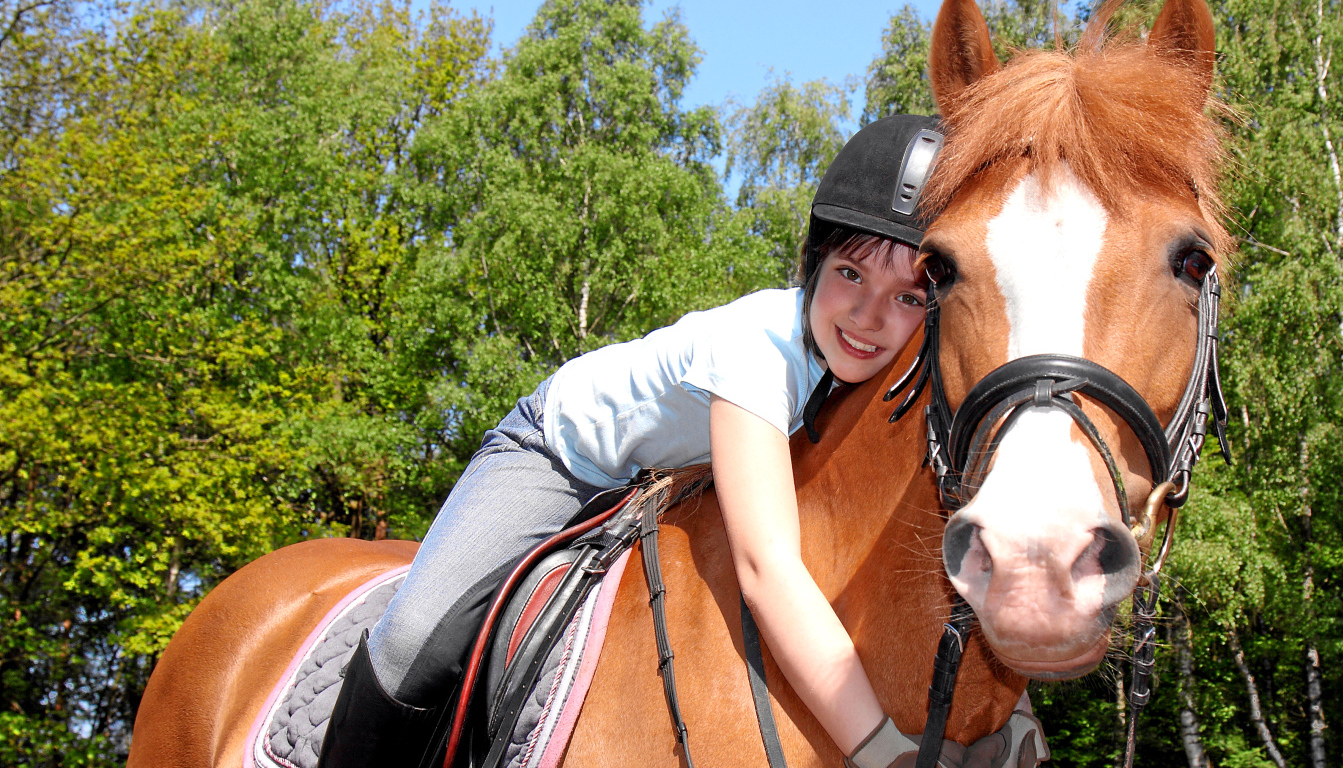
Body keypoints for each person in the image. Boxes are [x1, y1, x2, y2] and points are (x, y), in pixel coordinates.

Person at [319, 114, 947, 768]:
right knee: (414, 641)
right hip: (559, 457)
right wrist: (880, 750)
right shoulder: (758, 351)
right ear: (815, 259)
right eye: (851, 273)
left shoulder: (881, 379)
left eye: (906, 298)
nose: (869, 318)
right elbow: (767, 570)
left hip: (661, 488)